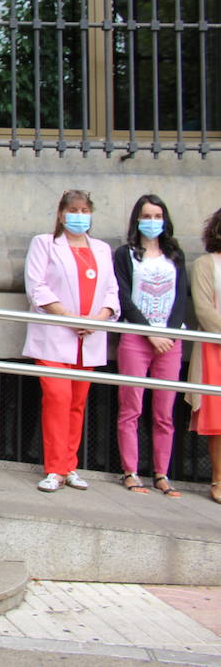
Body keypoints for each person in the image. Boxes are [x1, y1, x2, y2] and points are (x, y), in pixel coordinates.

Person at [22, 189, 119, 492]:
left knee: (77, 402)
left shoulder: (102, 249)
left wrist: (98, 318)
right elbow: (36, 287)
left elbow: (112, 292)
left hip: (88, 339)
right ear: (62, 214)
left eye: (84, 210)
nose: (79, 216)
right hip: (56, 335)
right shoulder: (45, 244)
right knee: (57, 398)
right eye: (73, 210)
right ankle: (54, 468)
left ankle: (69, 465)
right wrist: (68, 317)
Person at [112, 195, 188, 497]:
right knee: (130, 407)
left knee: (164, 412)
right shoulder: (125, 254)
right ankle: (130, 471)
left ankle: (162, 473)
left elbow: (182, 298)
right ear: (137, 219)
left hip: (170, 340)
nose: (153, 221)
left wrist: (167, 334)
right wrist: (149, 332)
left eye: (158, 216)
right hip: (136, 338)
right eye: (147, 215)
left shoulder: (175, 255)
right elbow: (124, 296)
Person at [187, 207, 221, 505]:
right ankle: (219, 479)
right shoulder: (205, 264)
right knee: (218, 417)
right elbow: (204, 310)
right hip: (215, 348)